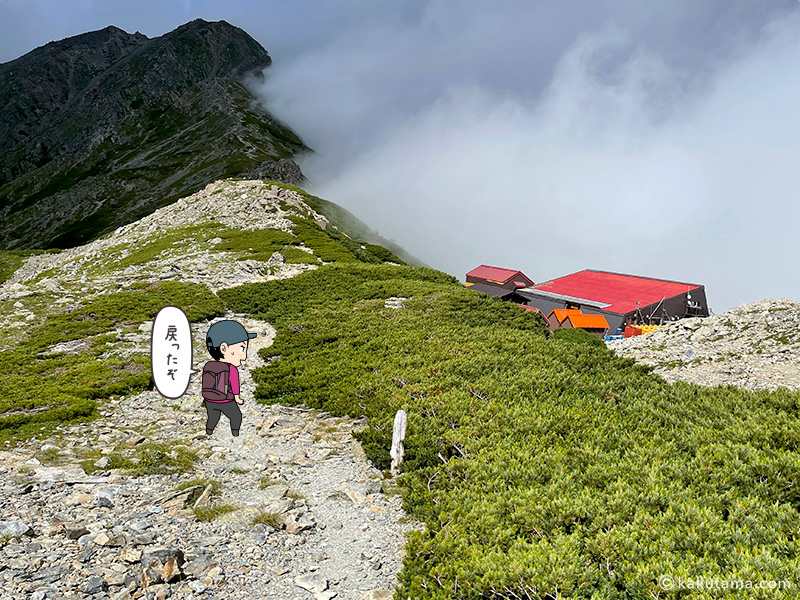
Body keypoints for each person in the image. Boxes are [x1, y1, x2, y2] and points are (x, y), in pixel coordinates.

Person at [202, 320, 257, 437]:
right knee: (236, 416)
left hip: (209, 400)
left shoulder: (209, 365)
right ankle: (235, 433)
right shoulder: (231, 368)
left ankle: (209, 431)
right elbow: (235, 385)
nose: (244, 355)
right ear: (224, 348)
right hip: (225, 400)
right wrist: (237, 398)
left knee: (213, 417)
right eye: (242, 348)